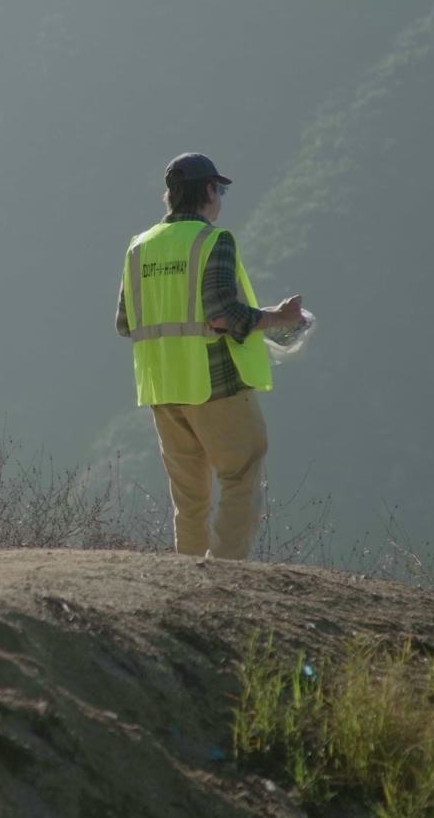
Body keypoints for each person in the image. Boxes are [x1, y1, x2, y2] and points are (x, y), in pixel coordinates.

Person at [116, 154, 304, 560]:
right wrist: (280, 318)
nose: (220, 197)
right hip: (214, 382)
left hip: (162, 387)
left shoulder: (138, 247)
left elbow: (125, 323)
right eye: (219, 189)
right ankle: (226, 573)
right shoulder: (213, 240)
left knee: (189, 497)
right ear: (206, 191)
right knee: (240, 475)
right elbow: (222, 315)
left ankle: (188, 576)